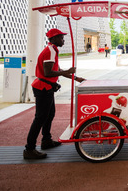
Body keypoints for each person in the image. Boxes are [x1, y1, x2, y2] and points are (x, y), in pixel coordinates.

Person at [24, 28, 86, 160]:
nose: (63, 40)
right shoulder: (50, 51)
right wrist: (67, 71)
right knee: (40, 118)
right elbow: (48, 73)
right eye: (61, 37)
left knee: (49, 114)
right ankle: (29, 149)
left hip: (46, 88)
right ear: (53, 39)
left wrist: (76, 78)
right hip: (43, 88)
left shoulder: (52, 50)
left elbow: (57, 70)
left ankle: (46, 140)